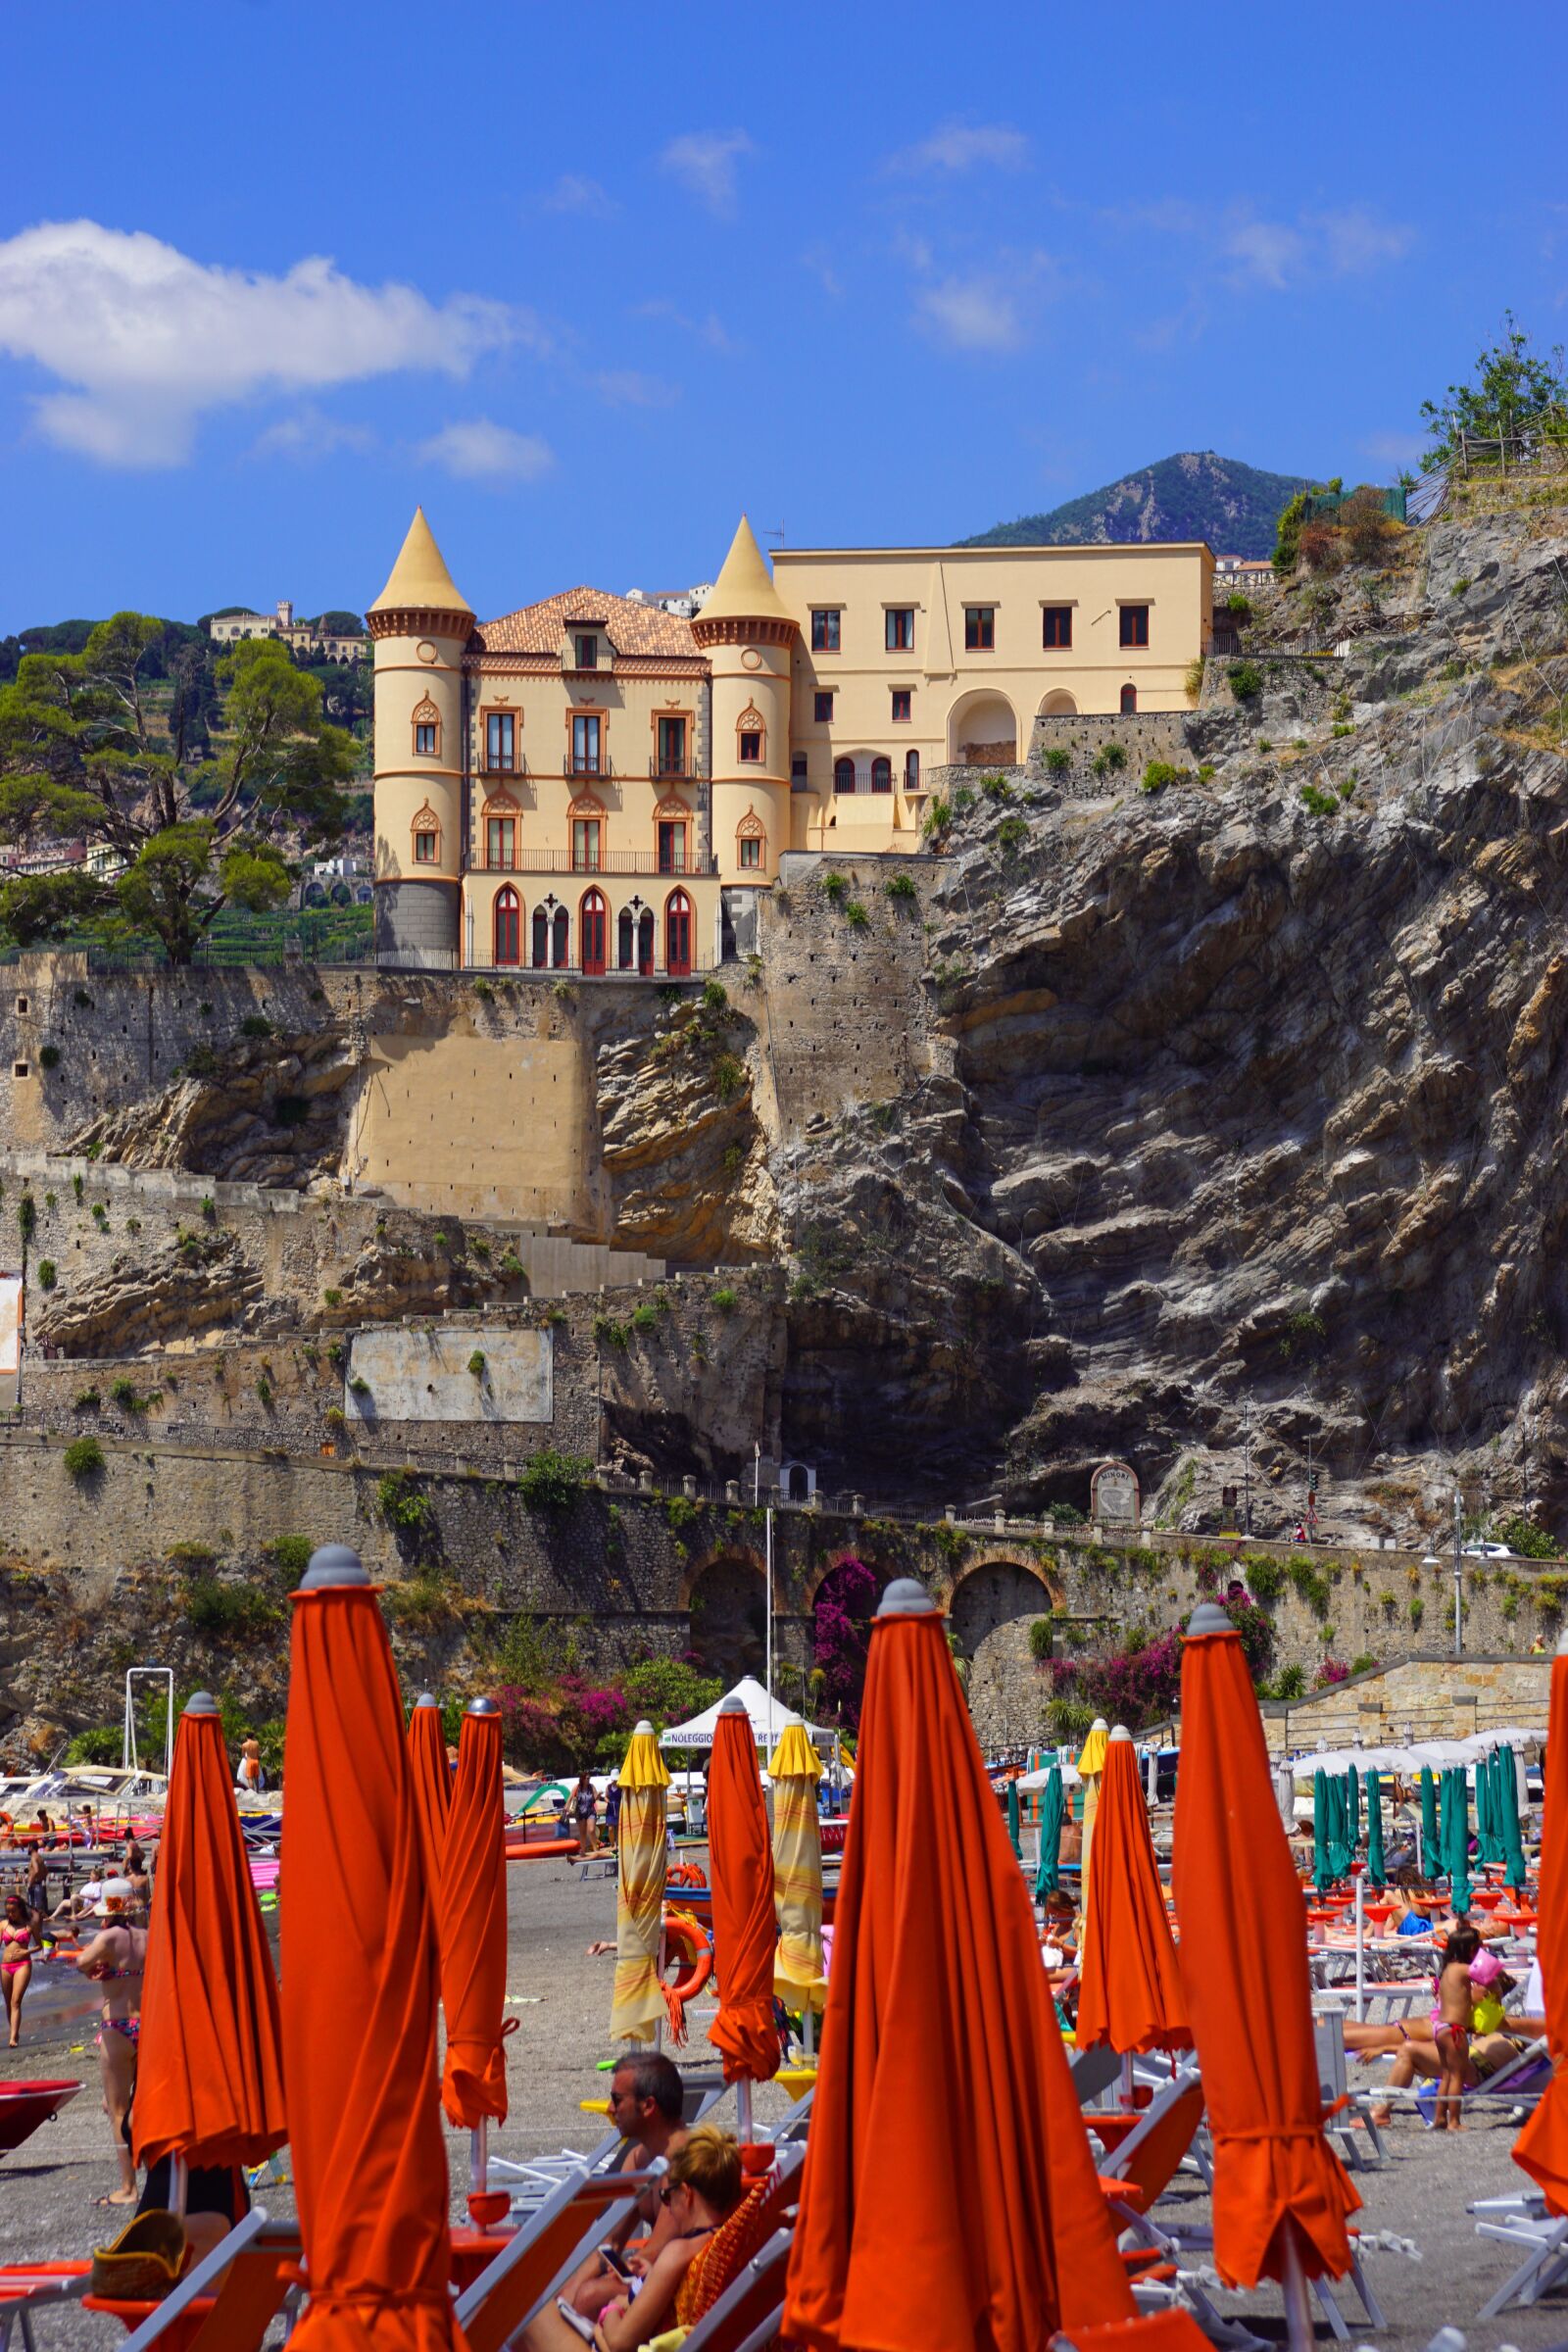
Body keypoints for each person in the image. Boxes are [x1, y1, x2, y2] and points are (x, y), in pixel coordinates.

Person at [523, 2124, 746, 2352]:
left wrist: (611, 2309)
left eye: (667, 2197)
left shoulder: (678, 2252)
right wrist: (653, 2274)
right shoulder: (731, 2245)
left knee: (521, 2306)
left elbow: (620, 2342)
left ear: (687, 2194)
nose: (668, 2208)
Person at [74, 1878, 146, 2206]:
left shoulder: (107, 1938)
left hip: (117, 2026)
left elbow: (81, 1962)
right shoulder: (148, 1936)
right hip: (147, 2024)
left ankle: (128, 2189)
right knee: (141, 2102)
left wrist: (94, 1971)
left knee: (116, 2110)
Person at [2, 1893, 35, 2047]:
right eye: (8, 1911)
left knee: (16, 2001)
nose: (10, 1914)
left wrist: (26, 1952)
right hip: (5, 1967)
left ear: (20, 1909)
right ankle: (14, 2031)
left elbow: (41, 1945)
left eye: (13, 1911)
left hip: (23, 1965)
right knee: (8, 2003)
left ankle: (13, 2037)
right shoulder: (3, 1925)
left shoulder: (30, 1925)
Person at [572, 1772, 598, 1859]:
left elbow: (595, 1797)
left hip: (590, 1811)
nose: (588, 1780)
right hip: (580, 1812)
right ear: (582, 1779)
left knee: (591, 1830)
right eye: (587, 1778)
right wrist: (566, 1808)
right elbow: (570, 1798)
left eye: (589, 1778)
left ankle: (595, 1850)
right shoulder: (577, 1787)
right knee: (582, 1833)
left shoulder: (592, 1787)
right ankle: (583, 1850)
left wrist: (598, 1796)